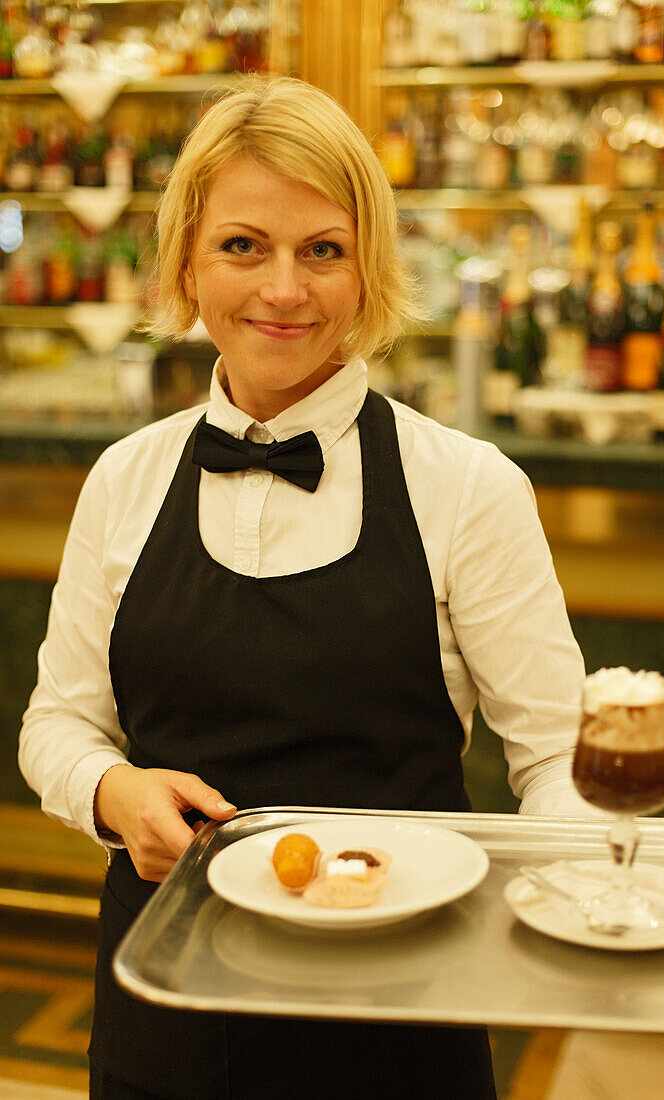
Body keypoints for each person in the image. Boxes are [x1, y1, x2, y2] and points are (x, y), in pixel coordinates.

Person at [19, 74, 593, 1100]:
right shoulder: (125, 478)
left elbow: (558, 756)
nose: (283, 290)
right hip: (163, 1013)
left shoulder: (465, 486)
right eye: (243, 245)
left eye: (321, 250)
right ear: (188, 262)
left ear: (367, 271)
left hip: (401, 1016)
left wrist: (561, 898)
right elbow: (57, 725)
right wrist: (114, 791)